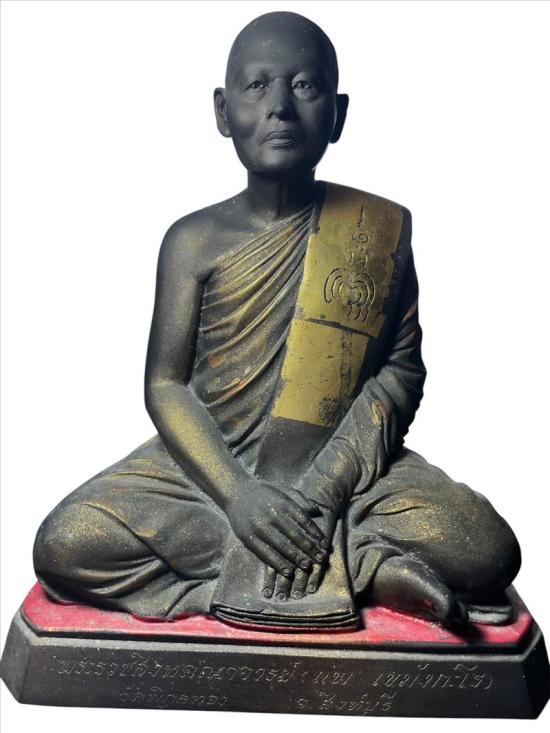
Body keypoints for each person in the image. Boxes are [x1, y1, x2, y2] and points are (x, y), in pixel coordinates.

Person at [33, 11, 520, 628]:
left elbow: (399, 374)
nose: (281, 108)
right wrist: (240, 496)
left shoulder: (376, 231)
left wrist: (323, 492)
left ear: (338, 114)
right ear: (222, 110)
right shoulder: (192, 241)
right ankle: (363, 568)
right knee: (65, 543)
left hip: (344, 473)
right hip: (211, 469)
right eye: (257, 85)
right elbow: (165, 386)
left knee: (487, 549)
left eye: (306, 86)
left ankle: (302, 553)